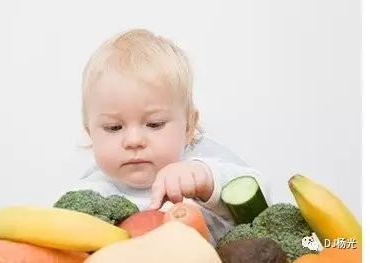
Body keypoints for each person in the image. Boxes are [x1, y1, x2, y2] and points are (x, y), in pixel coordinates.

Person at [69, 28, 269, 245]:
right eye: (114, 127)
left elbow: (265, 202)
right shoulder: (89, 196)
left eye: (155, 124)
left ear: (189, 127)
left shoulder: (200, 168)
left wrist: (207, 182)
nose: (134, 140)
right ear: (90, 132)